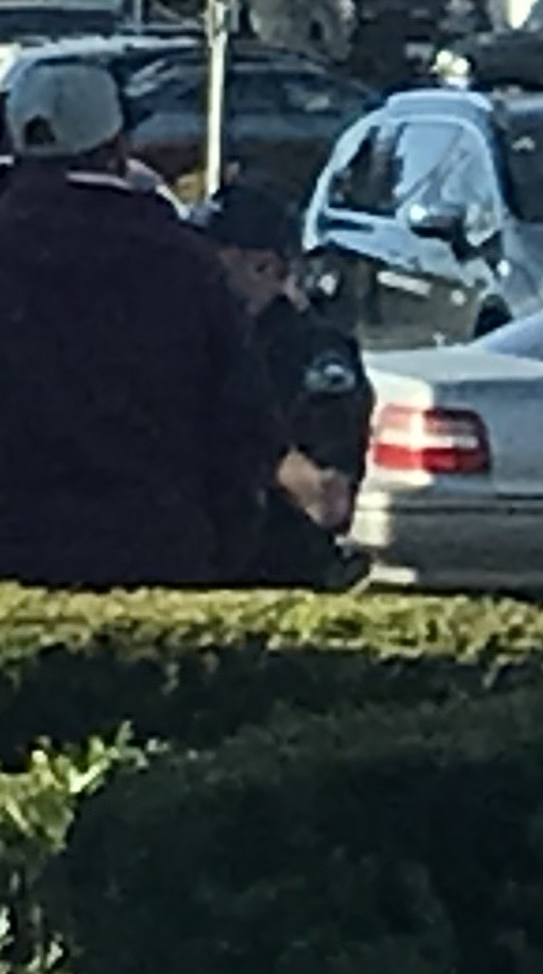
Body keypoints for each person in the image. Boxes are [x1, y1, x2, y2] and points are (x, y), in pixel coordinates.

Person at [0, 58, 283, 587]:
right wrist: (218, 550)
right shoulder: (182, 263)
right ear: (118, 147)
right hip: (155, 555)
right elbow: (245, 426)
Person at [196, 180, 372, 590]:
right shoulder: (194, 341)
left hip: (278, 572)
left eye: (212, 260)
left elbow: (327, 498)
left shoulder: (314, 356)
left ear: (265, 268)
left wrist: (248, 445)